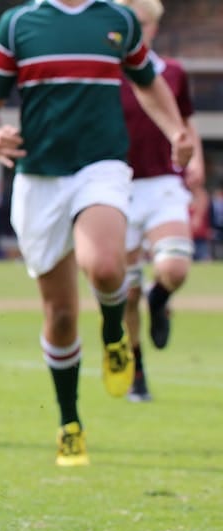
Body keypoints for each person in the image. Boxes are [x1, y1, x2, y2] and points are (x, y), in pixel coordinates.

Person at [0, 0, 193, 466]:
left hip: (101, 166)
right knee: (61, 316)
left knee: (106, 267)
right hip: (39, 179)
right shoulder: (18, 24)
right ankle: (69, 422)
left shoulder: (118, 19)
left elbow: (149, 83)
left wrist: (177, 130)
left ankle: (114, 332)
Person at [115, 0, 204, 403]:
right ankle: (137, 371)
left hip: (163, 181)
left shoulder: (172, 72)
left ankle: (161, 297)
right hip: (117, 186)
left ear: (154, 27)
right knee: (126, 292)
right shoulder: (106, 74)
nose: (139, 30)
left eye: (145, 23)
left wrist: (195, 160)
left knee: (175, 268)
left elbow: (185, 122)